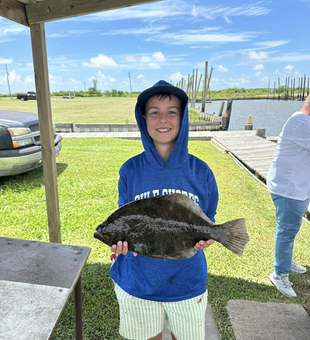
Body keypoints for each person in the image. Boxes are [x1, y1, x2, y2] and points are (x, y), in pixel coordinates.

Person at [110, 80, 219, 340]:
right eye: (154, 112)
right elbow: (125, 217)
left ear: (183, 118)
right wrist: (121, 245)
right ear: (143, 118)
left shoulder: (201, 171)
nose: (163, 119)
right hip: (137, 282)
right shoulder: (130, 170)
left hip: (187, 282)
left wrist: (209, 237)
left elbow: (208, 219)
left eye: (172, 111)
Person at [267, 94, 310, 298]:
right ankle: (279, 273)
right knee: (287, 230)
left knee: (291, 228)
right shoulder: (300, 121)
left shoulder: (301, 119)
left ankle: (286, 260)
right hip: (288, 189)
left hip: (298, 187)